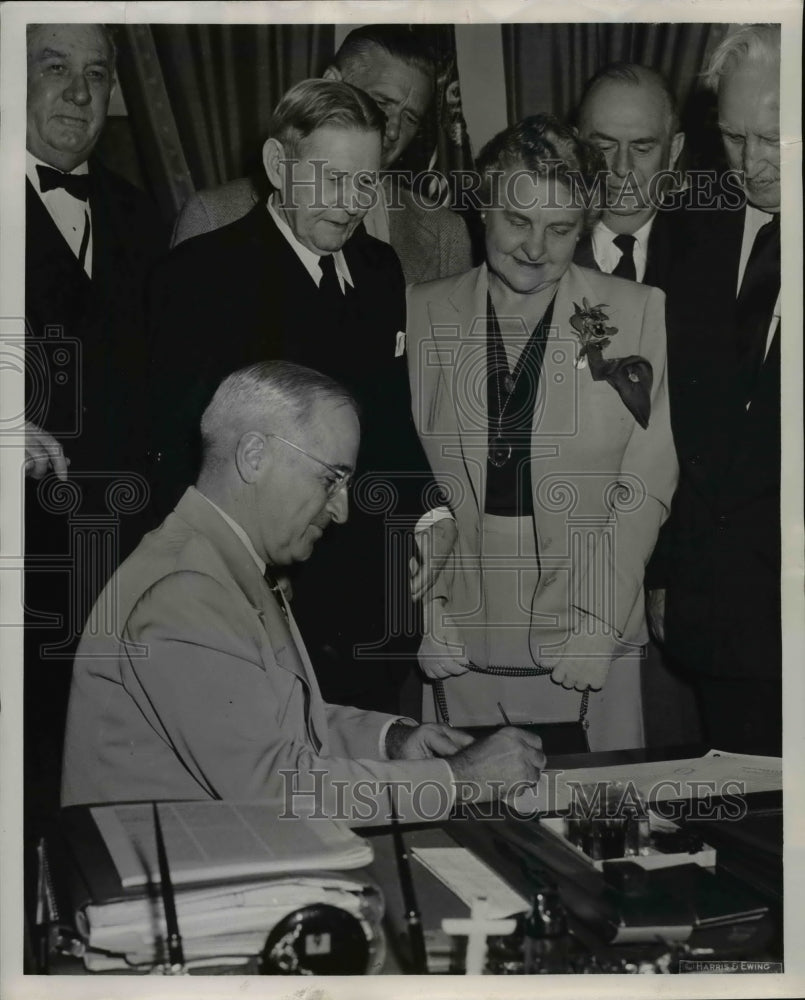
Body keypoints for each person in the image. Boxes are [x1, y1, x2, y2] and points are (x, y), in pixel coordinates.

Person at [61, 362, 546, 816]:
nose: (342, 511)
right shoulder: (185, 590)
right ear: (254, 455)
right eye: (330, 479)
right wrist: (458, 780)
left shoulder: (220, 560)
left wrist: (393, 740)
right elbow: (271, 787)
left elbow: (280, 726)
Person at [148, 79, 456, 714]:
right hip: (261, 619)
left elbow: (388, 416)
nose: (350, 205)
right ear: (276, 167)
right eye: (330, 179)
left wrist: (431, 513)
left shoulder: (378, 269)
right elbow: (178, 459)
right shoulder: (201, 277)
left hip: (372, 611)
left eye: (366, 183)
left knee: (370, 799)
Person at [406, 114, 678, 751]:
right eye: (518, 222)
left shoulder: (636, 313)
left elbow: (644, 482)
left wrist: (601, 621)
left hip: (588, 625)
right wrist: (424, 603)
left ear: (584, 225)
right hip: (456, 626)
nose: (535, 248)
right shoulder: (419, 308)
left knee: (595, 827)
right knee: (463, 826)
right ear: (483, 209)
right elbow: (405, 471)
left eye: (559, 229)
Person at [24, 23, 166, 815]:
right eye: (54, 68)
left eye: (96, 73)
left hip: (116, 569)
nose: (79, 92)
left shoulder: (141, 216)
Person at [651, 25, 782, 755]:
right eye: (734, 138)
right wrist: (667, 570)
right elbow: (665, 416)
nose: (752, 164)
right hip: (717, 611)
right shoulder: (688, 226)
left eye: (773, 138)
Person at [171, 24, 472, 283]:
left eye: (410, 118)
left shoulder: (446, 235)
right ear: (331, 82)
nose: (392, 131)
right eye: (381, 103)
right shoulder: (213, 217)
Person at [574, 63, 685, 292]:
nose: (622, 168)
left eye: (641, 149)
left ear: (674, 150)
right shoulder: (539, 251)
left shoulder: (709, 255)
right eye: (604, 147)